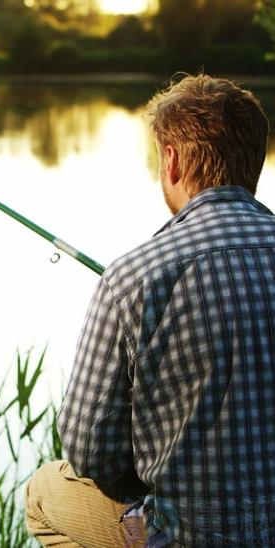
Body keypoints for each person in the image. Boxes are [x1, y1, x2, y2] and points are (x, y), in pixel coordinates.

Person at [26, 74, 272, 547]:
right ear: (255, 162)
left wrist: (143, 486)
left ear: (173, 161)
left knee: (44, 493)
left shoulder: (133, 276)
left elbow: (88, 446)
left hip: (187, 538)